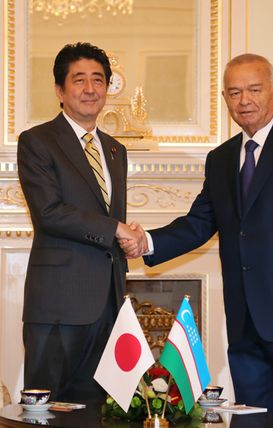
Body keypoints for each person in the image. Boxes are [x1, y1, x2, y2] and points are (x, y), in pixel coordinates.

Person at [121, 54, 273, 427]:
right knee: (250, 419)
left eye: (254, 89)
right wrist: (145, 240)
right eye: (234, 92)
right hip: (245, 318)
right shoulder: (221, 158)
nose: (244, 100)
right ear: (225, 99)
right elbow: (199, 223)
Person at [17, 42, 146, 403]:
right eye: (79, 80)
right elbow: (50, 213)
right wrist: (117, 230)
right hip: (58, 305)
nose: (91, 89)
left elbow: (107, 216)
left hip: (108, 303)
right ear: (60, 90)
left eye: (98, 80)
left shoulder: (116, 150)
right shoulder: (37, 141)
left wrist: (131, 238)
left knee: (100, 410)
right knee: (48, 409)